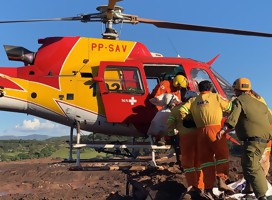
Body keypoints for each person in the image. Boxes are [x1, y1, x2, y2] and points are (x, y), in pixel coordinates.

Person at [217, 77, 272, 200]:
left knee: (252, 166)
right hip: (265, 139)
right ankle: (250, 189)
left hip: (253, 140)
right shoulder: (260, 103)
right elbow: (269, 119)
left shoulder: (239, 101)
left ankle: (263, 196)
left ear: (236, 89)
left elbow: (233, 118)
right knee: (247, 162)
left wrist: (223, 130)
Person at [180, 80, 234, 198]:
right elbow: (230, 107)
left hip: (200, 133)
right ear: (210, 89)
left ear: (199, 90)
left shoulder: (193, 100)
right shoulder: (216, 97)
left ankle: (208, 189)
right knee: (222, 156)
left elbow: (182, 110)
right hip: (215, 130)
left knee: (206, 161)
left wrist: (189, 119)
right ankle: (221, 179)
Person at [167, 91, 211, 199]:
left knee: (188, 164)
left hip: (186, 139)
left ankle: (192, 187)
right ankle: (201, 187)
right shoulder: (201, 108)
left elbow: (169, 124)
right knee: (199, 163)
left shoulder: (176, 110)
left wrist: (172, 136)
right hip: (200, 138)